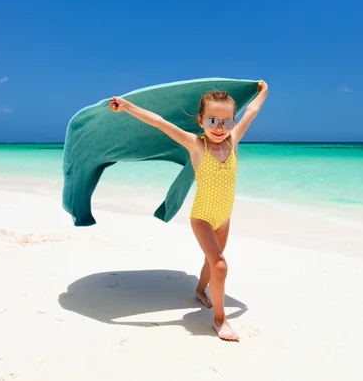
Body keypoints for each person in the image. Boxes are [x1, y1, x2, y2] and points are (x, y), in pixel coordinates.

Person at [109, 80, 268, 341]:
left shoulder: (234, 141)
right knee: (220, 266)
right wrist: (127, 106)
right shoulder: (196, 145)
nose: (220, 128)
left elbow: (251, 112)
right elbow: (160, 122)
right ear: (201, 121)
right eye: (212, 121)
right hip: (202, 218)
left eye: (227, 121)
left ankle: (199, 291)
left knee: (211, 262)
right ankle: (220, 320)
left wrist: (264, 91)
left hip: (224, 217)